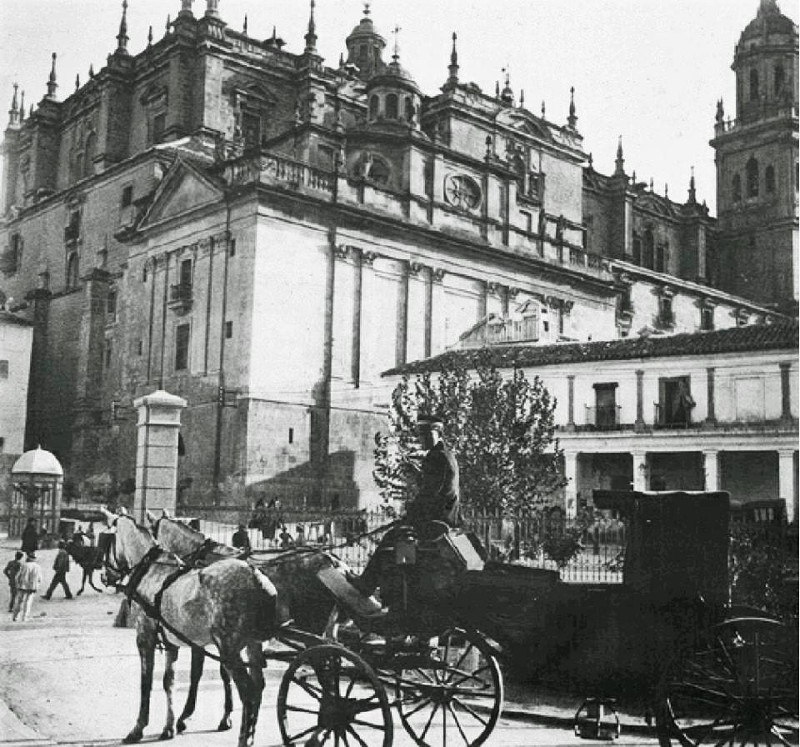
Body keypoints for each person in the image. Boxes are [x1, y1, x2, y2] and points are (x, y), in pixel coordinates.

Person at [356, 413, 461, 597]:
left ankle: (368, 586)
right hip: (447, 519)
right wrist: (419, 474)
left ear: (438, 433)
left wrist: (410, 513)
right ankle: (403, 587)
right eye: (421, 435)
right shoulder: (447, 455)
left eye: (427, 435)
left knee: (392, 539)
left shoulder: (436, 458)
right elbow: (438, 486)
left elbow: (430, 494)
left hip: (435, 521)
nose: (422, 440)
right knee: (400, 540)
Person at [13, 552, 43, 621]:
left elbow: (17, 576)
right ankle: (25, 617)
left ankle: (16, 616)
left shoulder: (24, 565)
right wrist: (37, 585)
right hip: (32, 586)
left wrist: (17, 583)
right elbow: (40, 578)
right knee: (28, 601)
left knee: (19, 601)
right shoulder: (37, 567)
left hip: (22, 585)